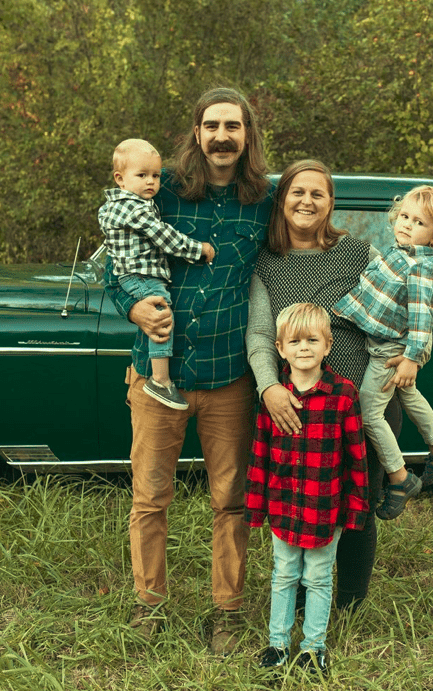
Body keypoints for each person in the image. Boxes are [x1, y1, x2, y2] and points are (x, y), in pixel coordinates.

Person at [103, 88, 273, 654]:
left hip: (229, 377)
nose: (222, 136)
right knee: (151, 497)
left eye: (233, 126)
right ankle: (148, 606)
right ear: (196, 134)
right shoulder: (160, 191)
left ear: (247, 134)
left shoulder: (263, 200)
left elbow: (302, 249)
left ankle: (226, 611)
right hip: (158, 376)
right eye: (211, 126)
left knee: (232, 500)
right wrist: (133, 306)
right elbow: (116, 261)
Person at [245, 158, 403, 613]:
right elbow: (258, 333)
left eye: (318, 193)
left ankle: (350, 602)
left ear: (331, 202)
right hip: (292, 405)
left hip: (360, 402)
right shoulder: (268, 264)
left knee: (359, 500)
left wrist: (403, 348)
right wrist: (268, 388)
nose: (307, 201)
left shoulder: (359, 254)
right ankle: (295, 600)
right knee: (297, 500)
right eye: (297, 192)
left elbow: (403, 299)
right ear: (282, 200)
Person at [246, 303, 369, 675]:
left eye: (312, 340)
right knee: (283, 574)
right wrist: (255, 508)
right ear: (280, 349)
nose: (304, 348)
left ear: (327, 346)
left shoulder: (343, 394)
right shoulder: (274, 397)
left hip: (324, 507)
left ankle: (314, 648)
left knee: (318, 576)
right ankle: (277, 645)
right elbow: (260, 454)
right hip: (284, 506)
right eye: (295, 341)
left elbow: (356, 458)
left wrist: (355, 510)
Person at [333, 185, 433, 519]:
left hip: (390, 350)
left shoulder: (421, 267)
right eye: (404, 216)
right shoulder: (402, 252)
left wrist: (411, 358)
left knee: (368, 411)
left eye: (419, 222)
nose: (406, 224)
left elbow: (422, 318)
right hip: (388, 344)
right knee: (408, 395)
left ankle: (400, 477)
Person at [98, 138, 215, 410]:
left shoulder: (119, 205)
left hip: (134, 273)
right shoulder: (135, 208)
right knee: (161, 315)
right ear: (120, 178)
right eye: (142, 175)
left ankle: (160, 378)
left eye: (156, 176)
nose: (151, 182)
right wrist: (199, 250)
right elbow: (166, 238)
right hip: (141, 276)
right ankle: (160, 380)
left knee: (160, 313)